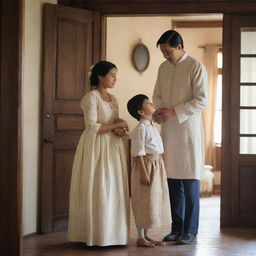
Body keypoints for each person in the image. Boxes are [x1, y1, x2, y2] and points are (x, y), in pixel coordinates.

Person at [153, 30, 208, 244]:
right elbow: (156, 94)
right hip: (168, 131)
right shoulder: (163, 68)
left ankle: (190, 231)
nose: (165, 55)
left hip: (188, 132)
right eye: (163, 52)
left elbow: (201, 100)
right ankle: (176, 228)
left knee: (190, 183)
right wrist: (159, 110)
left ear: (179, 46)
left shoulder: (195, 66)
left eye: (168, 51)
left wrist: (173, 111)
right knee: (172, 183)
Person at [68, 61, 130, 246]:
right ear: (100, 77)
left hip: (112, 146)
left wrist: (120, 128)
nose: (114, 79)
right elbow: (92, 127)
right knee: (98, 187)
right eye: (112, 75)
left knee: (113, 188)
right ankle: (93, 234)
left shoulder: (113, 99)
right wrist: (116, 125)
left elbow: (113, 121)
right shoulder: (91, 97)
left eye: (115, 75)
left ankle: (114, 235)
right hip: (95, 146)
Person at [127, 94, 171, 248]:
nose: (151, 103)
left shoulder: (152, 126)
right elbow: (138, 152)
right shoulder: (140, 129)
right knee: (143, 200)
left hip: (156, 165)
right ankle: (140, 237)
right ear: (140, 111)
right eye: (147, 102)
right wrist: (144, 172)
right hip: (146, 166)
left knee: (152, 201)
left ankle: (146, 234)